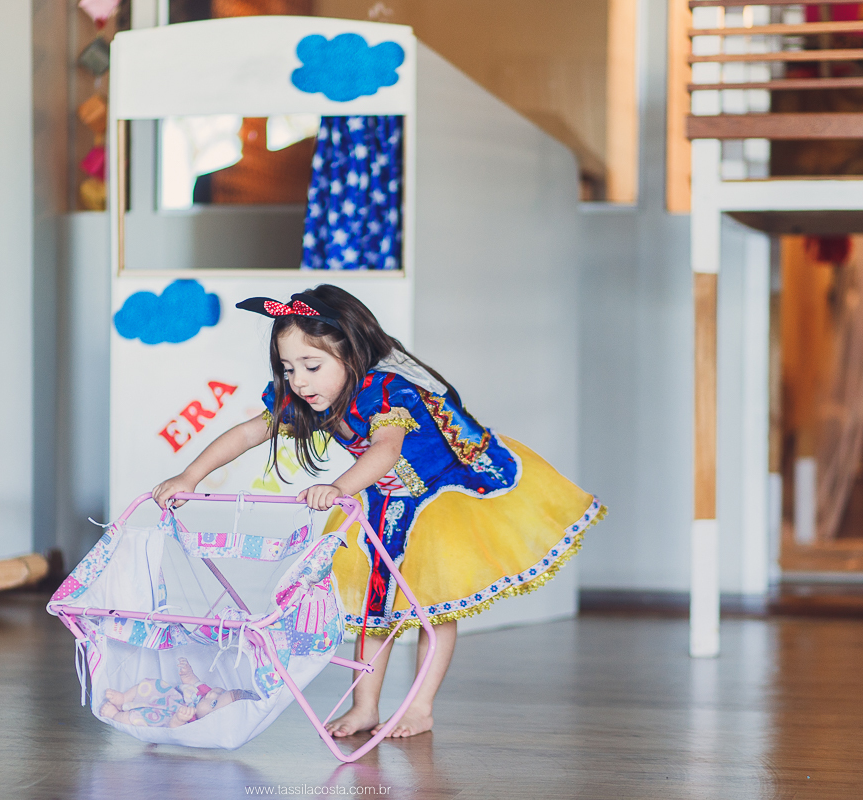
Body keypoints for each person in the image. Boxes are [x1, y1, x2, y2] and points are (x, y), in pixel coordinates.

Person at [152, 285, 604, 738]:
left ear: (351, 355)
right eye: (289, 369)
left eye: (312, 366)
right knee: (374, 608)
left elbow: (385, 451)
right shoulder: (309, 400)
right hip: (386, 502)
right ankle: (365, 706)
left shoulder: (387, 391)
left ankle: (419, 708)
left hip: (440, 498)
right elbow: (250, 433)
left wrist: (338, 487)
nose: (300, 382)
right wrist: (190, 476)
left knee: (433, 607)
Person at [99, 657, 257, 727]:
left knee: (132, 719)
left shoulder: (198, 726)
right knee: (152, 684)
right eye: (220, 692)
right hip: (165, 698)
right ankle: (124, 698)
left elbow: (174, 731)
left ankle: (115, 715)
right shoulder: (205, 696)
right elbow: (194, 682)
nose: (211, 694)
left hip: (160, 717)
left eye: (214, 702)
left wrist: (179, 720)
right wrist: (188, 675)